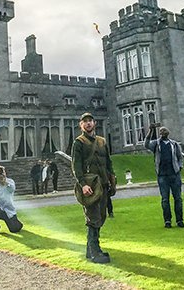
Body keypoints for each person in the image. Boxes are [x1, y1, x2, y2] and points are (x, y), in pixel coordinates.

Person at [71, 112, 115, 264]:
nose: (88, 123)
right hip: (90, 186)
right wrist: (83, 184)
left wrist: (112, 179)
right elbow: (76, 166)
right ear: (81, 125)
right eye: (85, 121)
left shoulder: (102, 141)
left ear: (95, 123)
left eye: (90, 121)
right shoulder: (79, 142)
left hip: (103, 184)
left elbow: (108, 162)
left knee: (101, 217)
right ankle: (95, 252)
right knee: (93, 218)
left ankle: (91, 250)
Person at [145, 124, 184, 229]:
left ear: (168, 133)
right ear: (159, 134)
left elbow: (180, 157)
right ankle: (167, 221)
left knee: (178, 198)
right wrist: (150, 131)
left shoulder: (174, 144)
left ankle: (179, 220)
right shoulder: (156, 144)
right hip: (162, 175)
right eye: (161, 131)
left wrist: (180, 167)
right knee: (165, 199)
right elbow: (146, 144)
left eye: (164, 131)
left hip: (174, 175)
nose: (163, 132)